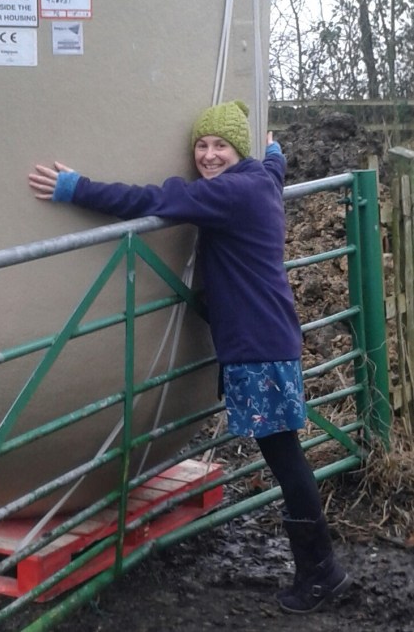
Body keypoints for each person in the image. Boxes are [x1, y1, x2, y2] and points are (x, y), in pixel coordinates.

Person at [28, 100, 351, 615]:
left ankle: (320, 573)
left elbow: (152, 200)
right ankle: (320, 569)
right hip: (270, 337)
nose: (208, 155)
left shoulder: (232, 192)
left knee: (286, 461)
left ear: (236, 151)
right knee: (286, 456)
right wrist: (273, 150)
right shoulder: (261, 179)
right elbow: (274, 163)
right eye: (201, 145)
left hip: (256, 346)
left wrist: (77, 188)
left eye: (220, 145)